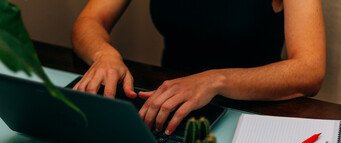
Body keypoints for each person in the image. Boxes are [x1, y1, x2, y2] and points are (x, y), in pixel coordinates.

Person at [71, 0, 326, 135]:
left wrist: (215, 81)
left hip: (252, 114)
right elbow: (89, 20)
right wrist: (104, 54)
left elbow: (310, 70)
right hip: (167, 107)